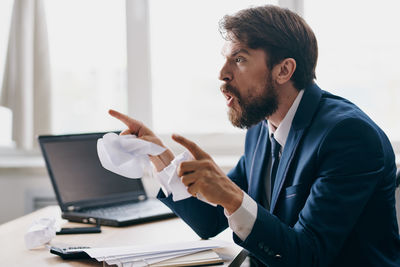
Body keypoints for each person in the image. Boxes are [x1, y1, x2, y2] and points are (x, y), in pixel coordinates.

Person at [109, 5, 400, 267]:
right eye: (226, 60)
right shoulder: (262, 130)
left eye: (239, 59)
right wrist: (160, 157)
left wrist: (233, 197)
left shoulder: (349, 136)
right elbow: (209, 220)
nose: (222, 73)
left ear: (284, 70)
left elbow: (309, 256)